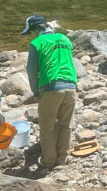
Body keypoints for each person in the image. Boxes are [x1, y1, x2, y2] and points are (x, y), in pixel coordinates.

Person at [22, 15, 78, 169]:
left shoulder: (36, 43)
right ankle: (61, 158)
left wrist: (35, 92)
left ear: (36, 29)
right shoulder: (65, 39)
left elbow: (31, 71)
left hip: (50, 87)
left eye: (30, 32)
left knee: (47, 128)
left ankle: (48, 161)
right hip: (70, 86)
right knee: (65, 125)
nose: (30, 36)